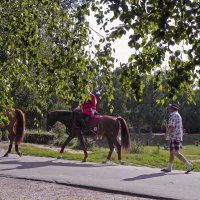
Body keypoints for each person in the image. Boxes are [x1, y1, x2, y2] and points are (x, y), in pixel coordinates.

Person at [161, 103, 193, 173]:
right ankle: (169, 167)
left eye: (169, 107)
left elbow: (171, 126)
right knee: (172, 152)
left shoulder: (174, 115)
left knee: (175, 152)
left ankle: (188, 165)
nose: (168, 109)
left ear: (173, 108)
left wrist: (166, 134)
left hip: (175, 136)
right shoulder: (177, 115)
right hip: (175, 136)